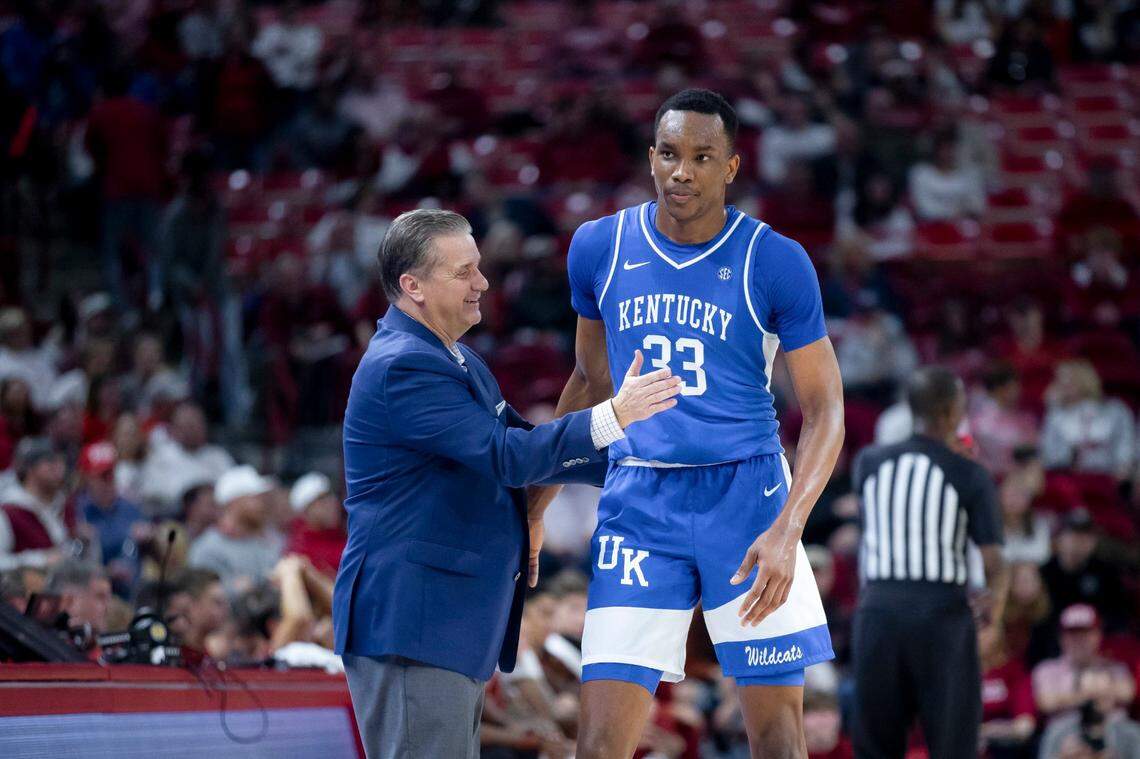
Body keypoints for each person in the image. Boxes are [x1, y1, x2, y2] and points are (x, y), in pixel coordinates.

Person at [539, 89, 845, 758]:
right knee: (598, 743)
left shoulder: (775, 259)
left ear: (730, 166)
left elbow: (825, 409)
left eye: (702, 157)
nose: (682, 171)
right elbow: (589, 383)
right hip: (641, 498)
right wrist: (538, 506)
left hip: (749, 498)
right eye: (670, 154)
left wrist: (789, 529)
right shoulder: (599, 246)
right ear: (651, 157)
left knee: (777, 738)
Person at [333, 208, 681, 759]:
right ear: (413, 286)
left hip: (445, 622)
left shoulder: (457, 358)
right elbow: (508, 457)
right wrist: (615, 414)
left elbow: (531, 447)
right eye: (463, 272)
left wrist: (648, 462)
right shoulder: (403, 366)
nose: (483, 283)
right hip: (413, 620)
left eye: (479, 266)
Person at [850, 366, 1008, 759]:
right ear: (953, 411)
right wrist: (993, 610)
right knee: (953, 742)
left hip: (878, 612)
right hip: (941, 616)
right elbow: (994, 564)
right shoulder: (970, 474)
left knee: (876, 744)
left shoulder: (868, 462)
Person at [187, 465, 283, 590]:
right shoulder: (207, 548)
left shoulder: (263, 541)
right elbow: (202, 595)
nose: (262, 505)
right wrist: (236, 590)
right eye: (255, 498)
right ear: (234, 502)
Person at [285, 472, 346, 577]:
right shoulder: (299, 551)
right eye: (322, 500)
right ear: (306, 511)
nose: (332, 504)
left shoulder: (345, 535)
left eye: (331, 496)